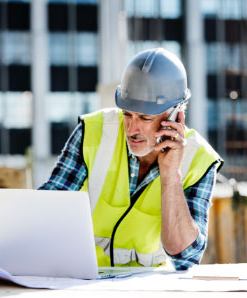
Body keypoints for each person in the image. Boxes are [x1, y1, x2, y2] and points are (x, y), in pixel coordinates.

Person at [39, 48, 223, 270]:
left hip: (147, 288)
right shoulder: (92, 132)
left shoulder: (200, 160)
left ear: (176, 115)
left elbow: (185, 257)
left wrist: (171, 175)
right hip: (83, 280)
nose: (132, 129)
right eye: (127, 114)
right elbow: (48, 209)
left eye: (145, 117)